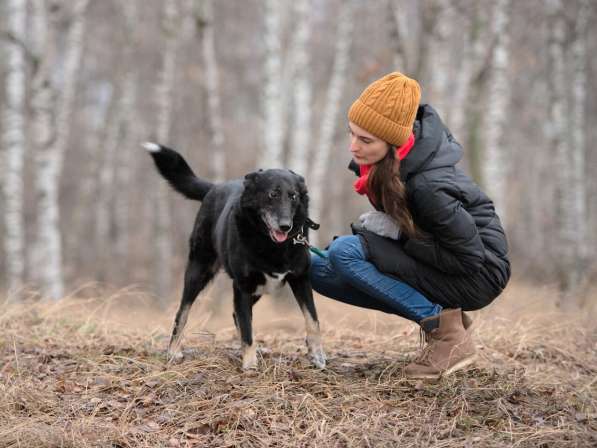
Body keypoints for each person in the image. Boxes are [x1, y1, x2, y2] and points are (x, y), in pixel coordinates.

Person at [309, 72, 511, 379]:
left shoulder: (427, 186)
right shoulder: (383, 168)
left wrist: (399, 232)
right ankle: (445, 321)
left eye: (365, 140)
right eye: (351, 134)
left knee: (344, 252)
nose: (353, 147)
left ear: (394, 143)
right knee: (314, 268)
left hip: (479, 274)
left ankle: (447, 335)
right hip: (443, 261)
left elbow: (469, 258)